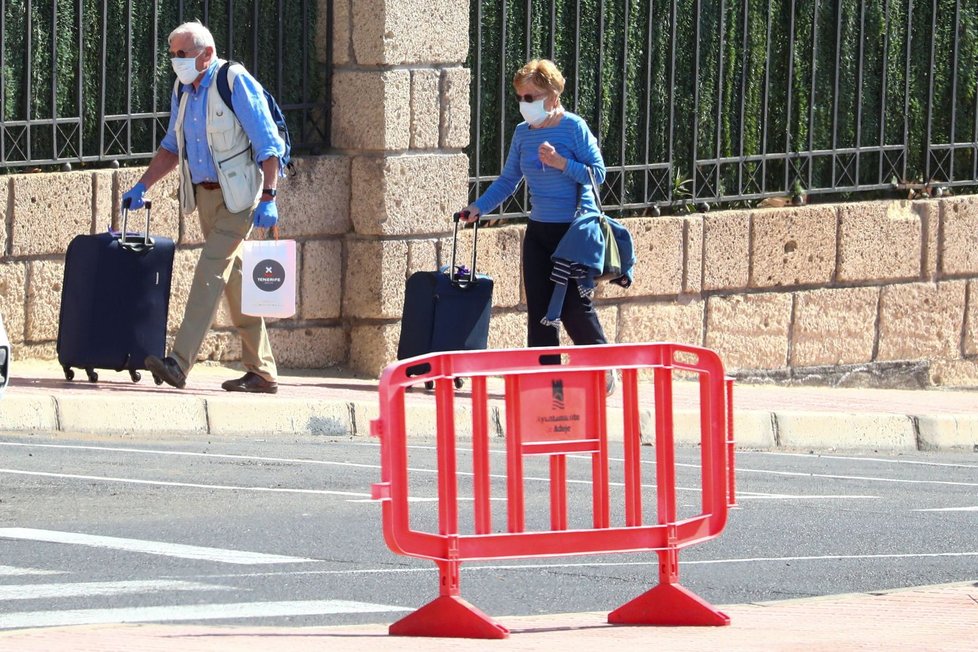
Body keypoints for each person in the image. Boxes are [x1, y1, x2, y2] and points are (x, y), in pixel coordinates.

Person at [122, 20, 283, 394]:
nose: (176, 61)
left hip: (240, 199)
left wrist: (269, 195)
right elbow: (171, 147)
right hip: (205, 197)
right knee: (235, 282)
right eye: (173, 55)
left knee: (208, 272)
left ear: (206, 53)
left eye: (182, 54)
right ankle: (263, 371)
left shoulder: (232, 81)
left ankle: (178, 362)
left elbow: (267, 141)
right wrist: (142, 185)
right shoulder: (183, 88)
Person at [459, 59, 629, 392]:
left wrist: (561, 163)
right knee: (539, 309)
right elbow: (509, 180)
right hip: (538, 232)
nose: (524, 104)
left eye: (530, 97)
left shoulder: (574, 128)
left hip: (573, 233)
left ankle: (604, 368)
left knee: (573, 308)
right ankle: (545, 383)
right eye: (520, 97)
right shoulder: (522, 134)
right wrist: (477, 208)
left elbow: (598, 175)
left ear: (551, 95)